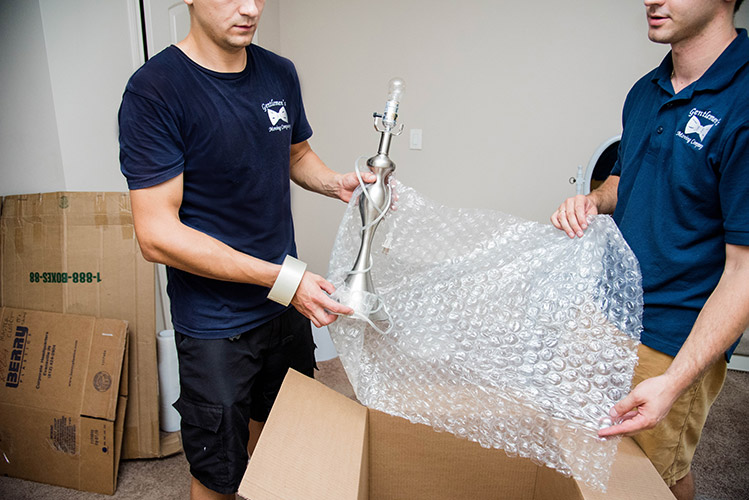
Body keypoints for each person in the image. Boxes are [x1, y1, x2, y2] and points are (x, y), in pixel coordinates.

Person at [118, 1, 372, 498]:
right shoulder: (155, 90)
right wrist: (285, 281)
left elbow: (295, 152)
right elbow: (157, 235)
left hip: (284, 302)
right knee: (218, 471)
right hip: (217, 323)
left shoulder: (279, 72)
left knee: (281, 437)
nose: (251, 8)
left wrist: (334, 182)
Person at [551, 1, 749, 499]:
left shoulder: (743, 102)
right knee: (584, 453)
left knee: (653, 475)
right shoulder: (646, 90)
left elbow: (744, 271)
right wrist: (593, 201)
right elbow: (624, 179)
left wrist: (675, 381)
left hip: (673, 337)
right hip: (608, 310)